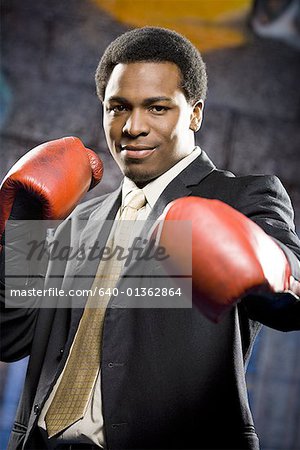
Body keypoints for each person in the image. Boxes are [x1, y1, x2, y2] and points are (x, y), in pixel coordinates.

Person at [1, 26, 300, 450]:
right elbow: (10, 337)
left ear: (195, 113)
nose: (132, 127)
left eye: (157, 108)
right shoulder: (78, 218)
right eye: (117, 108)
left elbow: (291, 295)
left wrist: (264, 262)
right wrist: (21, 228)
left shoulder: (242, 197)